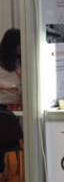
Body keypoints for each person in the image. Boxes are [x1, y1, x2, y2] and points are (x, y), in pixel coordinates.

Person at [0, 29, 22, 179]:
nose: (21, 47)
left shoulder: (19, 60)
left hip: (19, 104)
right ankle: (1, 169)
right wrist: (6, 88)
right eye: (19, 44)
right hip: (2, 105)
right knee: (3, 139)